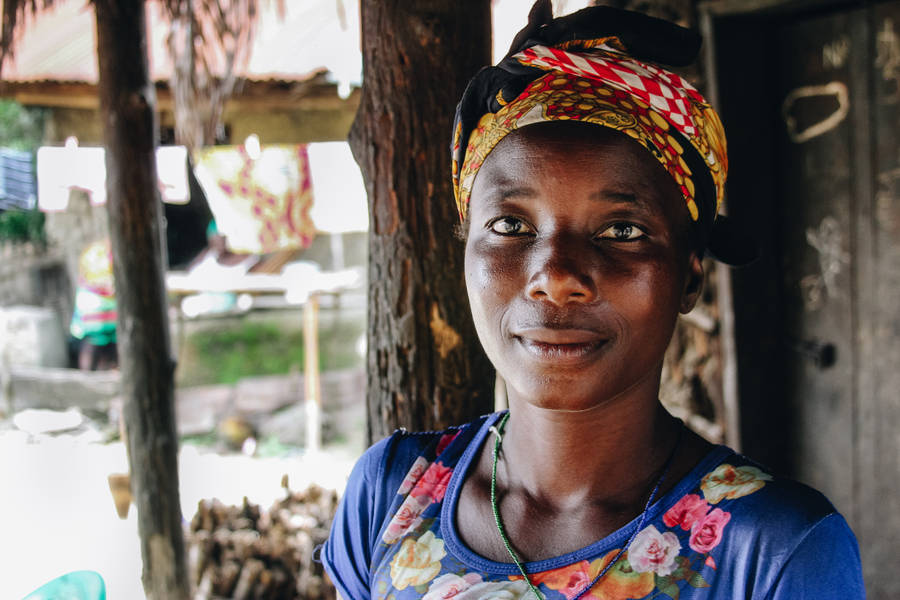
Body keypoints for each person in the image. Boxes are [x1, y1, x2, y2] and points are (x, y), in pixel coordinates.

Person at [321, 3, 865, 599]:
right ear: (466, 252)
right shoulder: (390, 497)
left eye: (622, 231)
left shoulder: (775, 551)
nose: (555, 277)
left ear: (689, 278)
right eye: (509, 226)